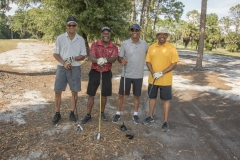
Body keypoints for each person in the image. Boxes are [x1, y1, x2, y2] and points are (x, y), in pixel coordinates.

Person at [142, 28, 179, 132]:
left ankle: (165, 121)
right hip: (153, 79)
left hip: (165, 80)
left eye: (164, 34)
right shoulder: (152, 47)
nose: (162, 36)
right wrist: (153, 72)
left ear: (167, 36)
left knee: (166, 100)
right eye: (160, 34)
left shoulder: (171, 48)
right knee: (152, 98)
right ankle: (150, 116)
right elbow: (148, 62)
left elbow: (174, 64)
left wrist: (162, 73)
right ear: (156, 36)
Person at [51, 16, 87, 125]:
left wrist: (73, 58)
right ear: (66, 26)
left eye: (73, 25)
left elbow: (83, 55)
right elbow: (55, 53)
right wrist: (64, 63)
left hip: (75, 67)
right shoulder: (60, 38)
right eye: (69, 25)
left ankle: (72, 112)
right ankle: (57, 113)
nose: (71, 27)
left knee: (74, 91)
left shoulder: (80, 39)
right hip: (62, 67)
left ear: (76, 26)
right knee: (58, 90)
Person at [81, 26, 118, 124]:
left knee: (104, 95)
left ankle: (102, 113)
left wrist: (105, 60)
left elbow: (114, 58)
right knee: (91, 94)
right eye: (104, 33)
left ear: (110, 34)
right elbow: (92, 56)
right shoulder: (95, 45)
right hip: (95, 72)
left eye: (107, 33)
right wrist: (98, 61)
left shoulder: (113, 47)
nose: (106, 35)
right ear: (101, 34)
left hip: (106, 73)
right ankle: (88, 114)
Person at [112, 24, 148, 124]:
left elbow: (150, 56)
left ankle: (135, 114)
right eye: (132, 30)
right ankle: (118, 113)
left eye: (136, 30)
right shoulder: (125, 43)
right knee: (121, 95)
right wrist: (121, 60)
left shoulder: (145, 44)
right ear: (130, 32)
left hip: (138, 75)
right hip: (126, 74)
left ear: (139, 31)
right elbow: (119, 57)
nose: (134, 32)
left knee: (136, 96)